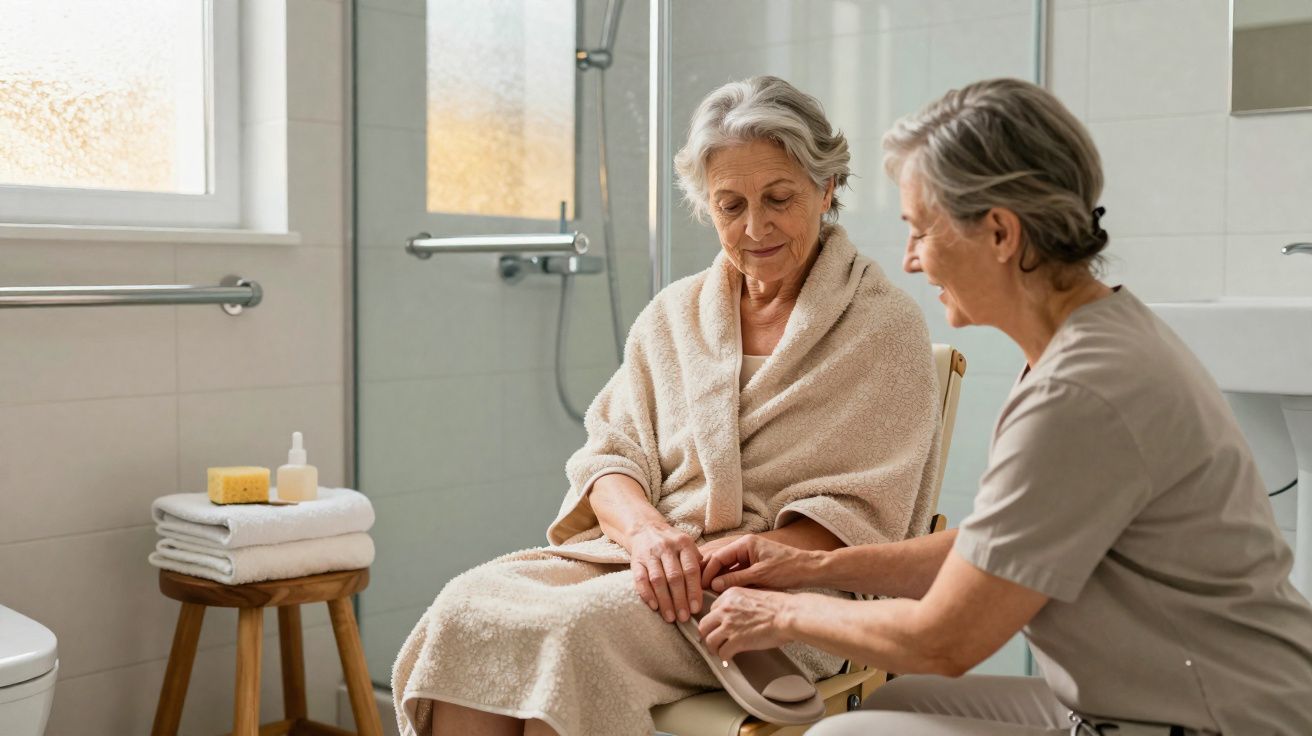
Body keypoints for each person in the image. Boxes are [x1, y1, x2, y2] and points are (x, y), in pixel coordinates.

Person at [697, 77, 1312, 735]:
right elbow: (994, 549)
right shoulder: (1094, 335)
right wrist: (810, 567)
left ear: (998, 233)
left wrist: (778, 614)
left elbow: (945, 642)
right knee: (888, 708)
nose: (908, 261)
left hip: (1221, 722)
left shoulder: (1080, 393)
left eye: (919, 230)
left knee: (847, 733)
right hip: (1163, 700)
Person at [391, 76, 943, 736]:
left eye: (779, 198)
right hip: (648, 561)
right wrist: (650, 535)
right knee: (467, 608)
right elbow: (609, 456)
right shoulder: (674, 317)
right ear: (705, 206)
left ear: (826, 190)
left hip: (784, 592)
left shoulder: (882, 329)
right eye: (730, 204)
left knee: (568, 631)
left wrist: (732, 559)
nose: (754, 226)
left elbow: (865, 513)